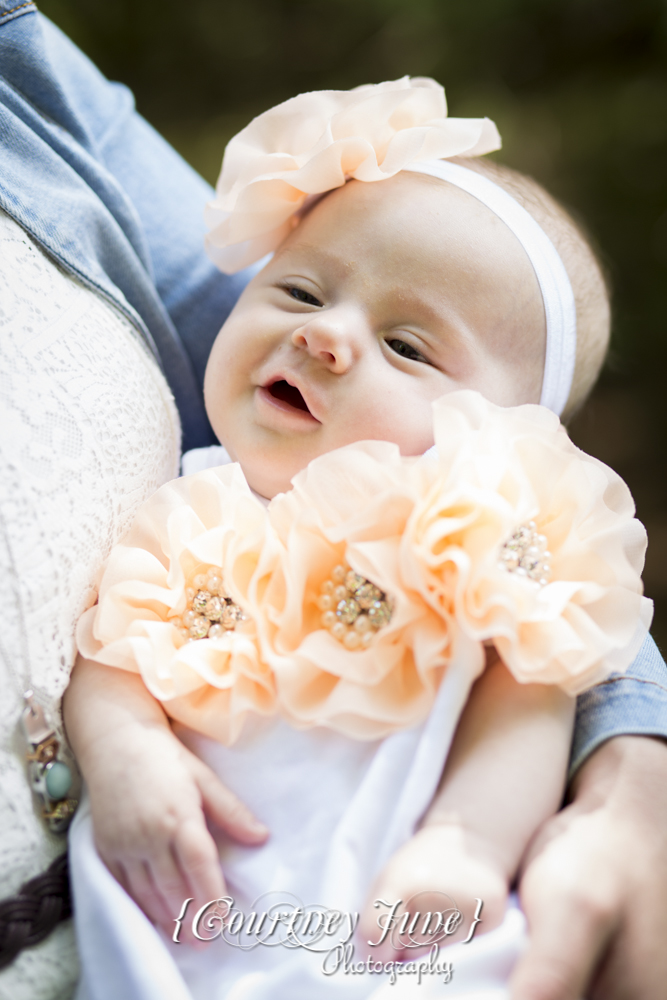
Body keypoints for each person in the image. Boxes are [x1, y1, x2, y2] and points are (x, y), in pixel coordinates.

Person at [0, 7, 665, 999]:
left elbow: (527, 699)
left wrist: (468, 843)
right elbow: (112, 660)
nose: (325, 338)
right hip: (185, 910)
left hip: (394, 913)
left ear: (506, 434)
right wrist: (128, 753)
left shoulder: (471, 531)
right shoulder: (191, 505)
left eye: (406, 346)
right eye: (301, 293)